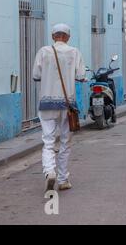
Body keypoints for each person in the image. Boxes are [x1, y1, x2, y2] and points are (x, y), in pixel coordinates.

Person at [33, 23, 86, 192]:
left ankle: (50, 172)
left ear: (53, 36)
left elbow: (36, 75)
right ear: (68, 37)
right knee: (65, 142)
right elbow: (81, 76)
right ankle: (63, 180)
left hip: (47, 103)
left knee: (48, 141)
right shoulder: (75, 52)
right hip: (67, 103)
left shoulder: (43, 51)